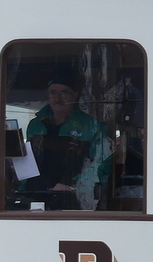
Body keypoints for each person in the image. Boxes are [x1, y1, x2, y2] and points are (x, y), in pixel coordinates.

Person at [24, 69, 113, 210]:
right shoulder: (35, 125)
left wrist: (73, 187)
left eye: (64, 92)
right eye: (53, 92)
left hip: (77, 200)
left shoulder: (93, 127)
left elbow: (102, 166)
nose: (57, 97)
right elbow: (28, 164)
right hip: (36, 197)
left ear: (75, 95)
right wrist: (22, 190)